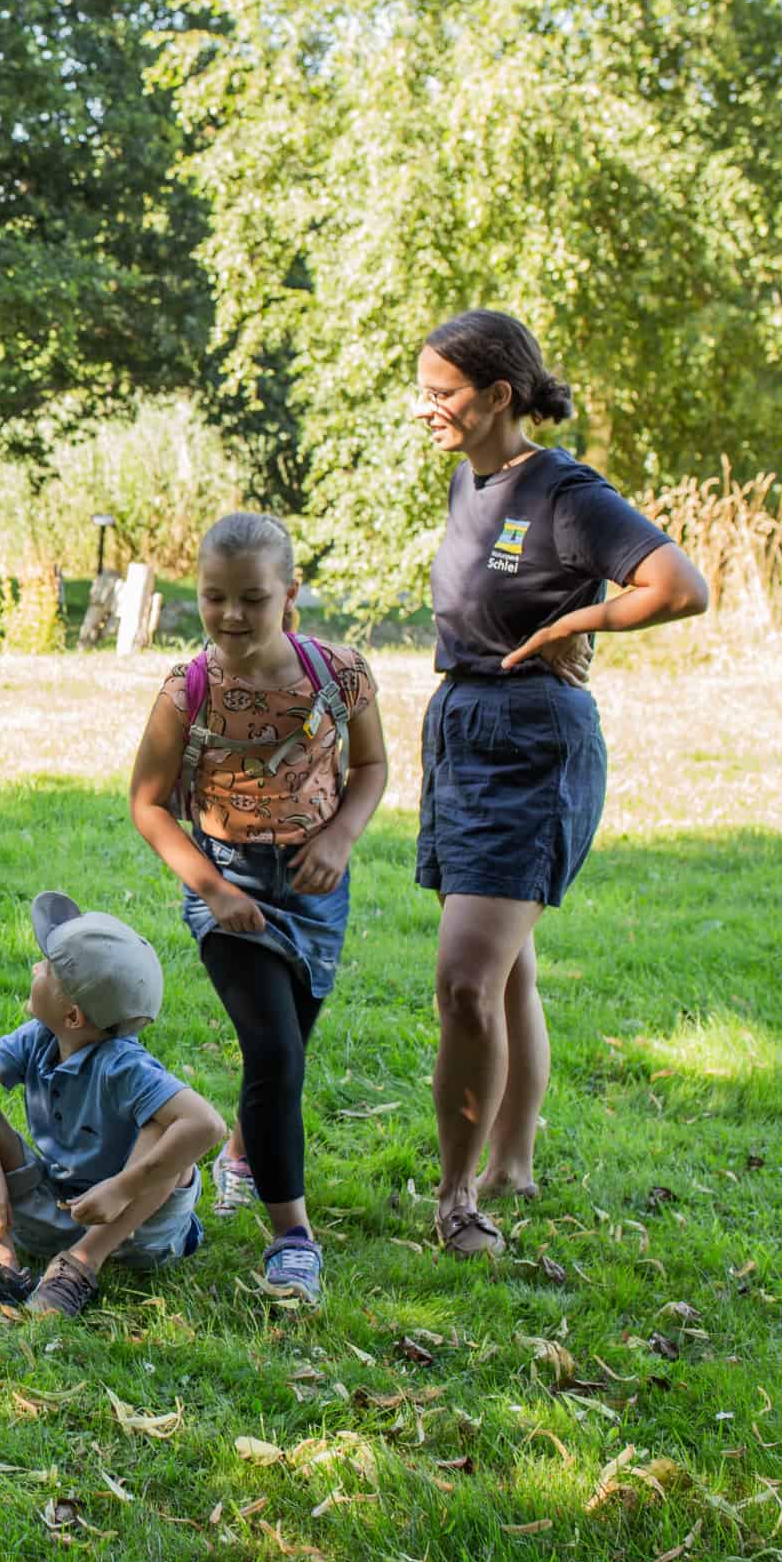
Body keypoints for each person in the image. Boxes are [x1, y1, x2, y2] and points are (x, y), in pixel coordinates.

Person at [411, 310, 709, 1257]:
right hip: (462, 729)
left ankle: (459, 1199)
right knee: (507, 971)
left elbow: (680, 584)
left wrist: (586, 623)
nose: (428, 410)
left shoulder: (566, 490)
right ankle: (510, 1164)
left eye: (444, 393)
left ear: (500, 395)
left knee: (466, 981)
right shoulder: (473, 479)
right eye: (423, 391)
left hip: (531, 740)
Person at [126, 512, 388, 1306]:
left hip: (314, 887)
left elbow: (371, 767)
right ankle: (293, 1240)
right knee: (274, 1052)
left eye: (252, 597)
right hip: (226, 883)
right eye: (214, 597)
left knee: (288, 1054)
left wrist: (340, 837)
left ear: (291, 594)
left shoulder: (341, 675)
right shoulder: (187, 689)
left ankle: (243, 1154)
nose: (232, 615)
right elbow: (148, 804)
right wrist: (214, 889)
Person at [0, 898, 225, 1317]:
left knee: (167, 1129)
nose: (34, 969)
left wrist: (124, 1187)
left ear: (74, 1015)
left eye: (47, 968)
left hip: (137, 1229)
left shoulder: (124, 1066)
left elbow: (207, 1125)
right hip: (62, 1210)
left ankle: (81, 1265)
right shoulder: (37, 1038)